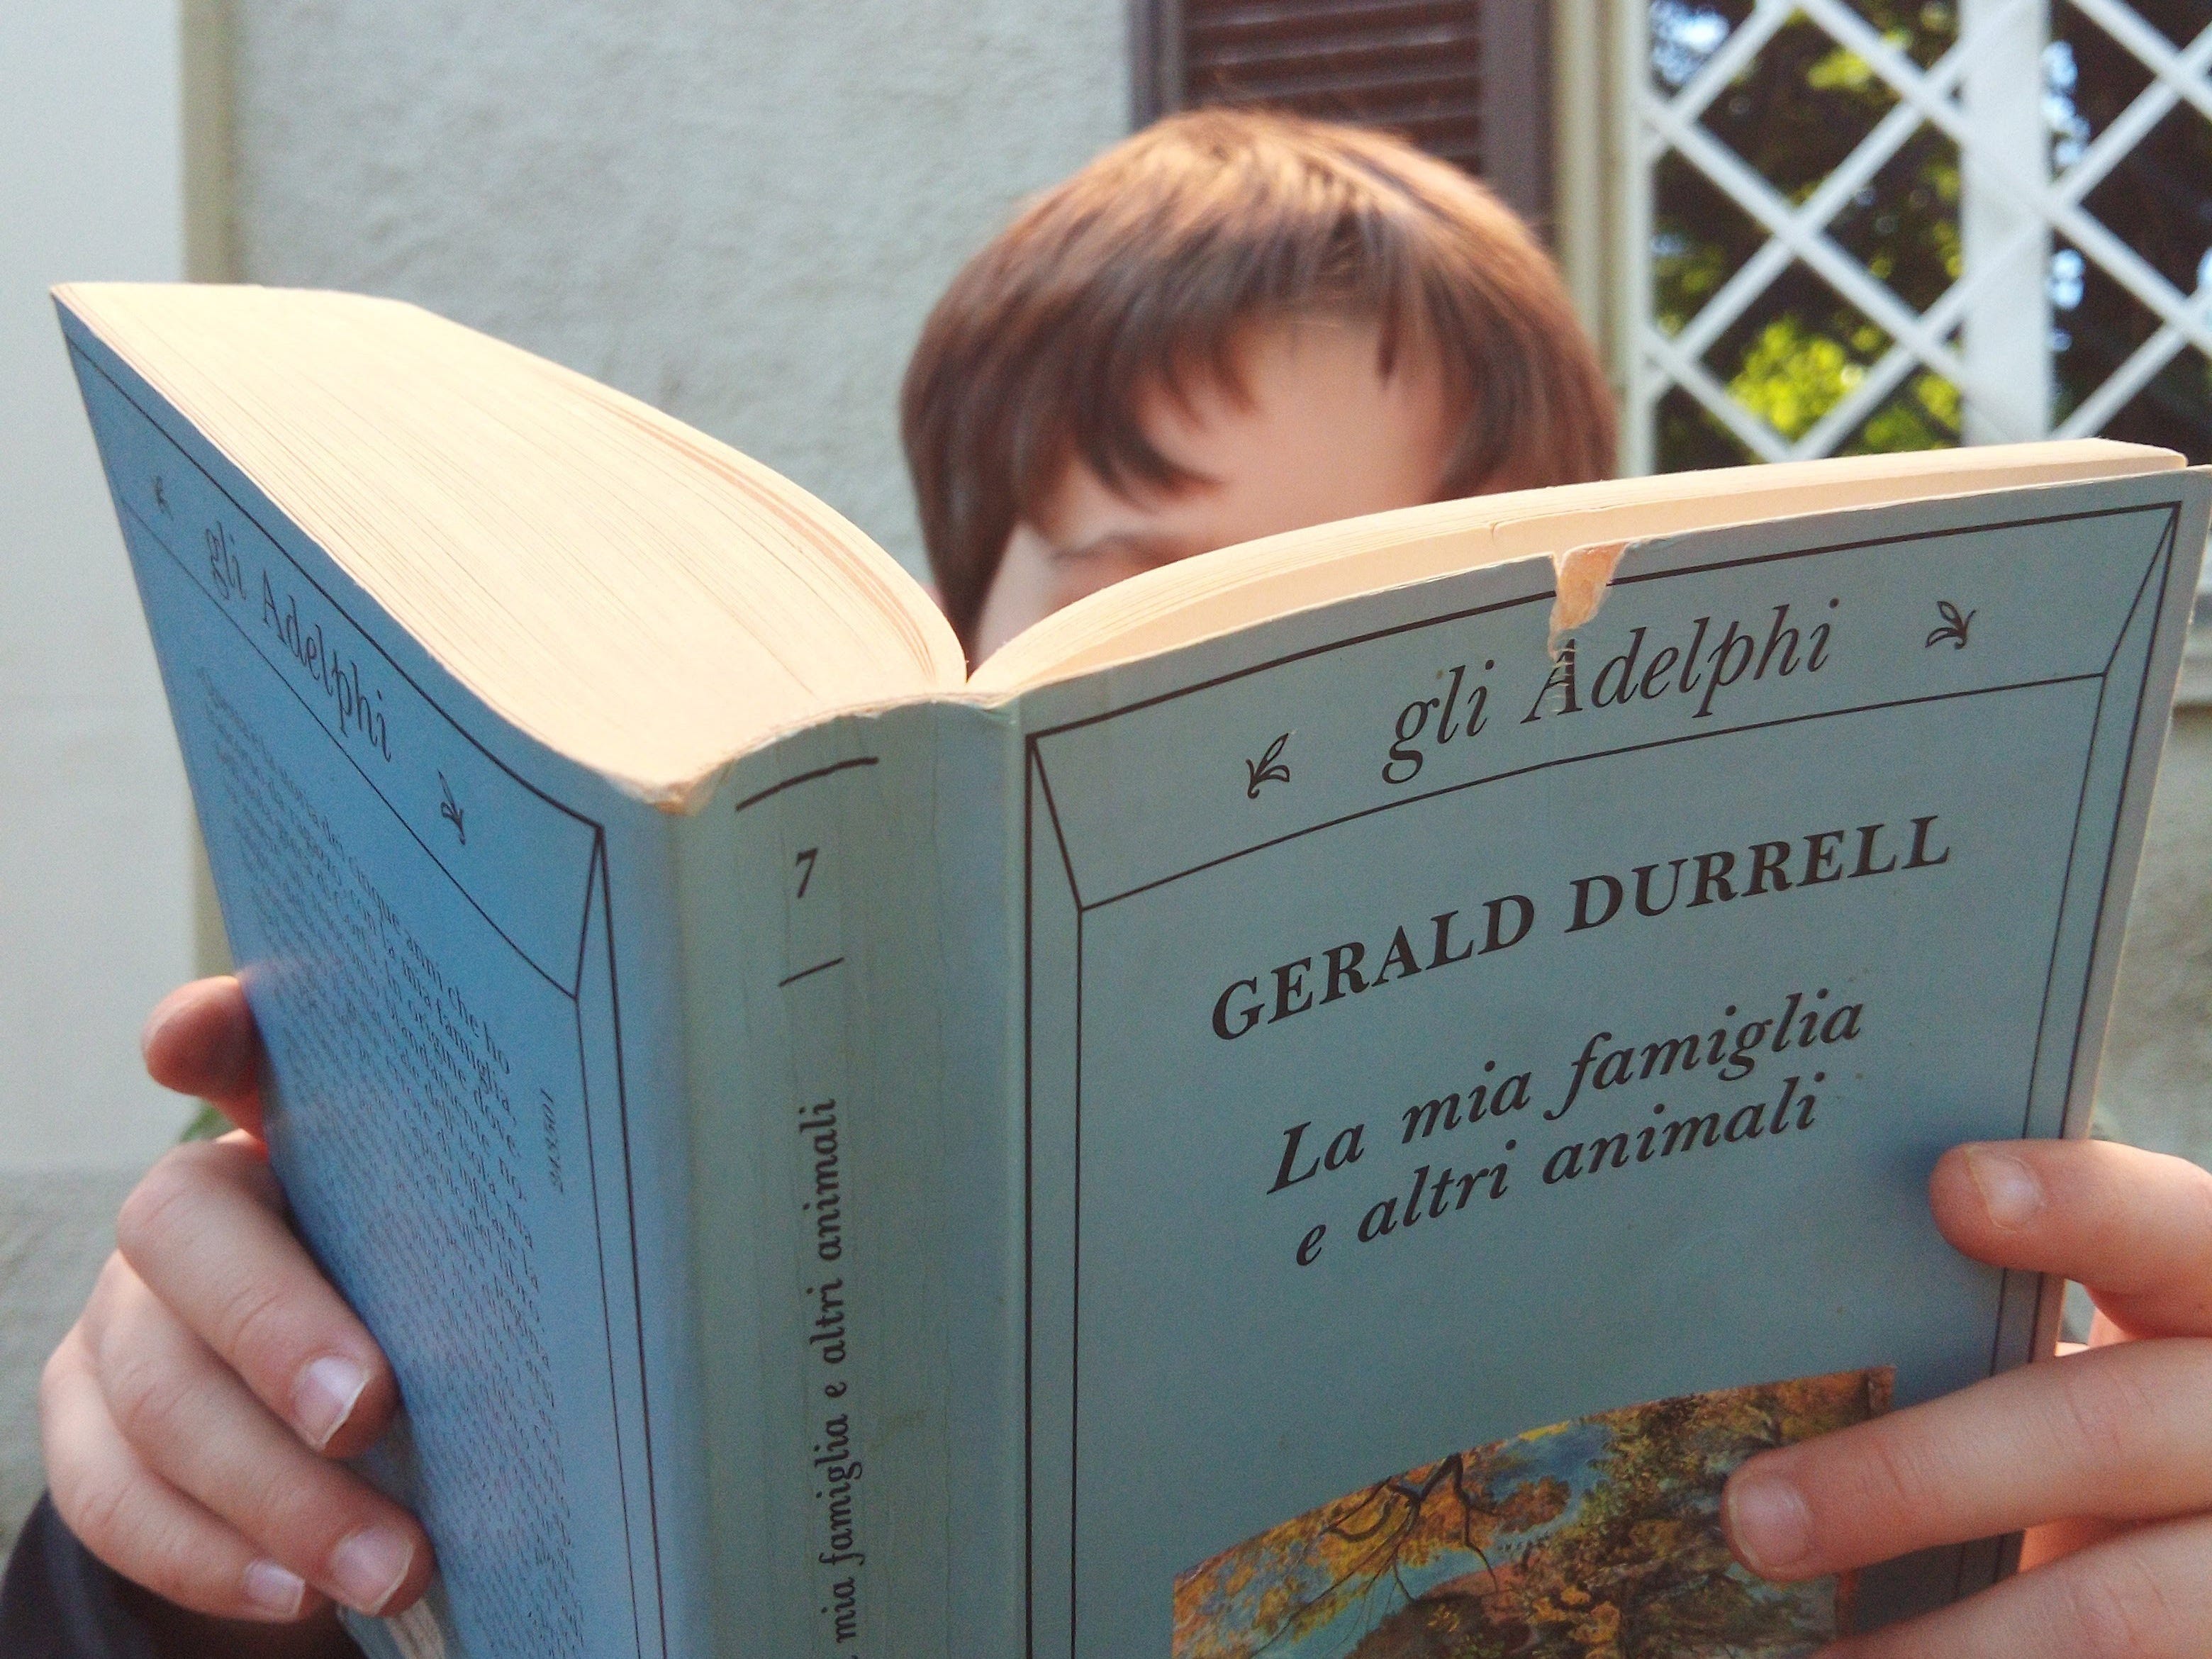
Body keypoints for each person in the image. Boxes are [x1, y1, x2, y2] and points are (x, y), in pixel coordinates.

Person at [16, 111, 2212, 1658]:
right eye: (1152, 610)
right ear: (962, 660)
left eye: (1384, 635)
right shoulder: (750, 1166)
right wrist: (180, 1575)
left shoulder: (1919, 1236)